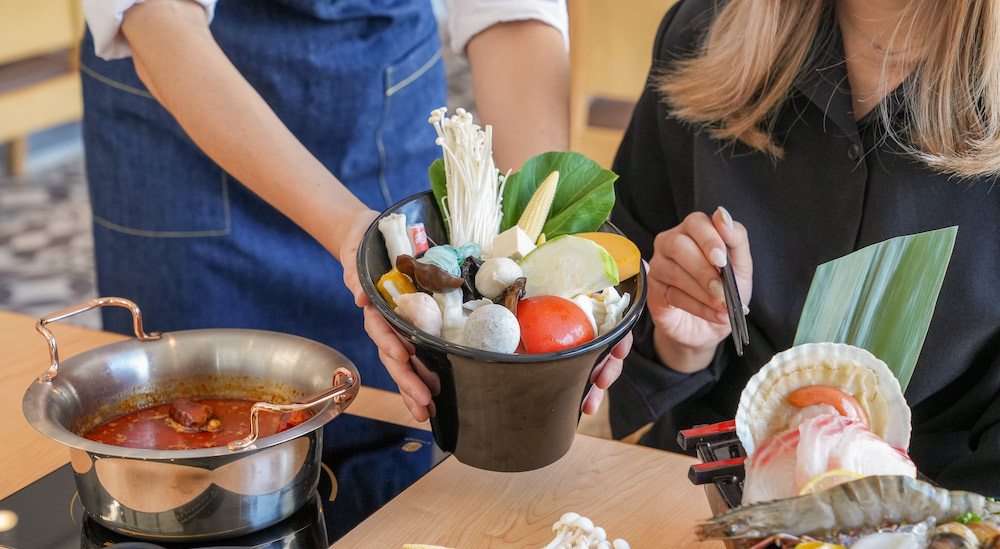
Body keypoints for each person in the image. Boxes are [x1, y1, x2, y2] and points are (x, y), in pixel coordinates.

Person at [79, 0, 629, 422]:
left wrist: (533, 255)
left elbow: (510, 15)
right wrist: (348, 227)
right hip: (188, 133)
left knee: (396, 447)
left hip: (378, 109)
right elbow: (154, 14)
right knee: (192, 426)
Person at [607, 0, 1000, 495]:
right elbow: (612, 315)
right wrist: (685, 342)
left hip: (951, 522)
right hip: (705, 498)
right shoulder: (701, 32)